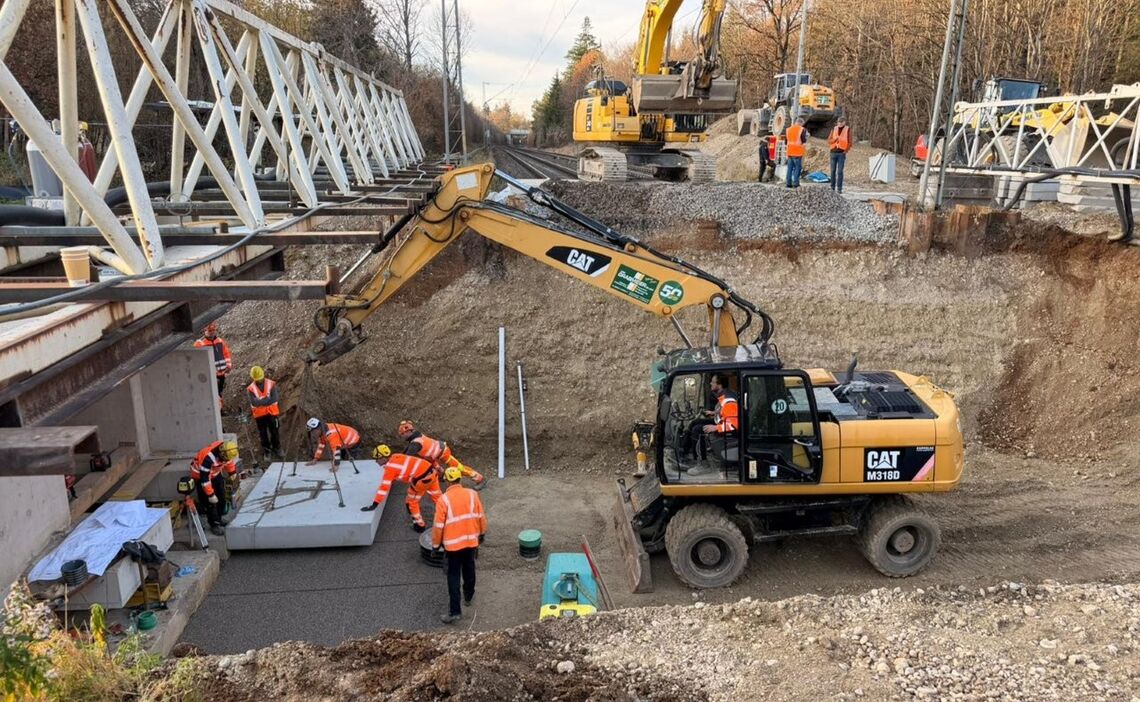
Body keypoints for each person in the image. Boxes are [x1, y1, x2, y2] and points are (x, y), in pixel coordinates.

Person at [431, 465, 487, 624]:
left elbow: (438, 526)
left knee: (453, 576)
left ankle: (455, 611)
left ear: (447, 482)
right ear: (459, 479)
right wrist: (481, 534)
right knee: (469, 569)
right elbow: (480, 516)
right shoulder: (472, 494)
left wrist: (435, 546)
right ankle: (468, 596)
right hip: (471, 542)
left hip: (452, 547)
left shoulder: (443, 500)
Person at [361, 446, 441, 532]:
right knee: (438, 499)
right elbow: (401, 470)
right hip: (432, 472)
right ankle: (447, 517)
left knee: (411, 502)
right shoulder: (396, 456)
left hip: (422, 480)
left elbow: (384, 487)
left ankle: (420, 525)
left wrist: (375, 504)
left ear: (383, 458)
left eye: (377, 459)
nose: (376, 461)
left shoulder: (390, 468)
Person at [397, 420, 486, 488]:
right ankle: (442, 475)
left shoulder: (415, 443)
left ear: (407, 432)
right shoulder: (417, 435)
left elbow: (407, 456)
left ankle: (480, 479)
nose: (402, 436)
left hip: (443, 452)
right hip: (434, 455)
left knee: (459, 468)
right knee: (433, 466)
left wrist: (398, 462)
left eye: (402, 434)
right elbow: (408, 449)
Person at [682, 374, 740, 471]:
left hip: (727, 431)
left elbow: (734, 424)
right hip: (720, 422)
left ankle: (703, 463)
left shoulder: (728, 400)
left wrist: (716, 428)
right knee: (695, 422)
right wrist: (714, 413)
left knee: (697, 429)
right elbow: (726, 411)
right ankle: (685, 452)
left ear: (719, 385)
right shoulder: (724, 395)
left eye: (713, 382)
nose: (710, 383)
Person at [189, 440, 238, 535]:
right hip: (200, 476)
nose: (226, 460)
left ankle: (219, 518)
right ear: (221, 453)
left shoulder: (227, 451)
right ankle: (214, 524)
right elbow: (204, 479)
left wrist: (232, 472)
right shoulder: (208, 458)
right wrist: (210, 494)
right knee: (210, 503)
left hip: (215, 473)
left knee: (221, 497)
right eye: (225, 458)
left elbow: (229, 462)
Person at [246, 366, 282, 461]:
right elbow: (254, 403)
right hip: (260, 415)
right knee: (263, 434)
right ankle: (267, 450)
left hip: (272, 413)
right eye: (257, 379)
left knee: (275, 431)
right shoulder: (251, 388)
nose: (259, 380)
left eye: (260, 378)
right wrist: (267, 399)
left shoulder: (271, 384)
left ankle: (277, 447)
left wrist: (261, 402)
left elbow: (274, 399)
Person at [193, 322, 232, 404]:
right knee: (212, 394)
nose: (212, 332)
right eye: (210, 331)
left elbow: (226, 354)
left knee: (219, 393)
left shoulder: (220, 341)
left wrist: (228, 365)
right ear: (205, 331)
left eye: (213, 330)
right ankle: (217, 409)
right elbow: (197, 362)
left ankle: (220, 408)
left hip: (221, 373)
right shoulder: (199, 344)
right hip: (210, 375)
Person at [828, 117, 853, 194]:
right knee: (832, 171)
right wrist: (834, 140)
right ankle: (832, 187)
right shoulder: (834, 129)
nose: (840, 123)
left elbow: (850, 142)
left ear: (844, 122)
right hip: (833, 152)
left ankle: (839, 188)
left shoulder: (847, 129)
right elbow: (829, 140)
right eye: (839, 122)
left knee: (840, 172)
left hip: (841, 153)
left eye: (841, 122)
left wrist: (845, 151)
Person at [784, 117, 808, 189]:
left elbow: (786, 142)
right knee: (797, 168)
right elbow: (803, 140)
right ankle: (796, 183)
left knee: (790, 169)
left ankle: (788, 183)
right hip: (797, 152)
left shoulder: (788, 129)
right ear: (800, 123)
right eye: (802, 124)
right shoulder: (801, 129)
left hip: (789, 152)